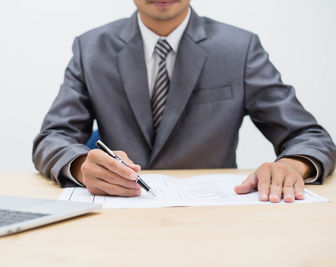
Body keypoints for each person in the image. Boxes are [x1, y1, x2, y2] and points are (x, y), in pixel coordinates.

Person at [33, 0, 336, 203]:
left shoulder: (239, 49)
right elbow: (53, 138)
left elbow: (308, 136)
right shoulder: (92, 48)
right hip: (119, 217)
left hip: (213, 218)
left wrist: (294, 165)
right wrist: (82, 163)